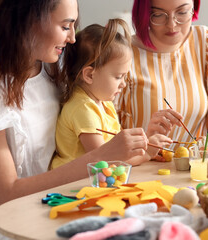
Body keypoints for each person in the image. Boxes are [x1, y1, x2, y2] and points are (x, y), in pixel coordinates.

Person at [0, 1, 170, 239]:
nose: (72, 38)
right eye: (65, 26)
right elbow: (6, 194)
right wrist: (102, 156)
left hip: (56, 203)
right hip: (1, 221)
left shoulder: (53, 69)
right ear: (29, 21)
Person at [114, 0, 208, 155]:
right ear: (144, 13)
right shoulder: (123, 54)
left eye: (182, 12)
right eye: (158, 14)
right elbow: (109, 135)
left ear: (194, 8)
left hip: (197, 168)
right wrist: (147, 140)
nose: (172, 24)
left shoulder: (205, 41)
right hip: (142, 171)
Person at [50, 18, 177, 169]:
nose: (123, 83)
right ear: (89, 75)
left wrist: (146, 144)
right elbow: (104, 160)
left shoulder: (104, 104)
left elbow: (120, 152)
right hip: (70, 186)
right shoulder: (82, 109)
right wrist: (146, 154)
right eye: (118, 77)